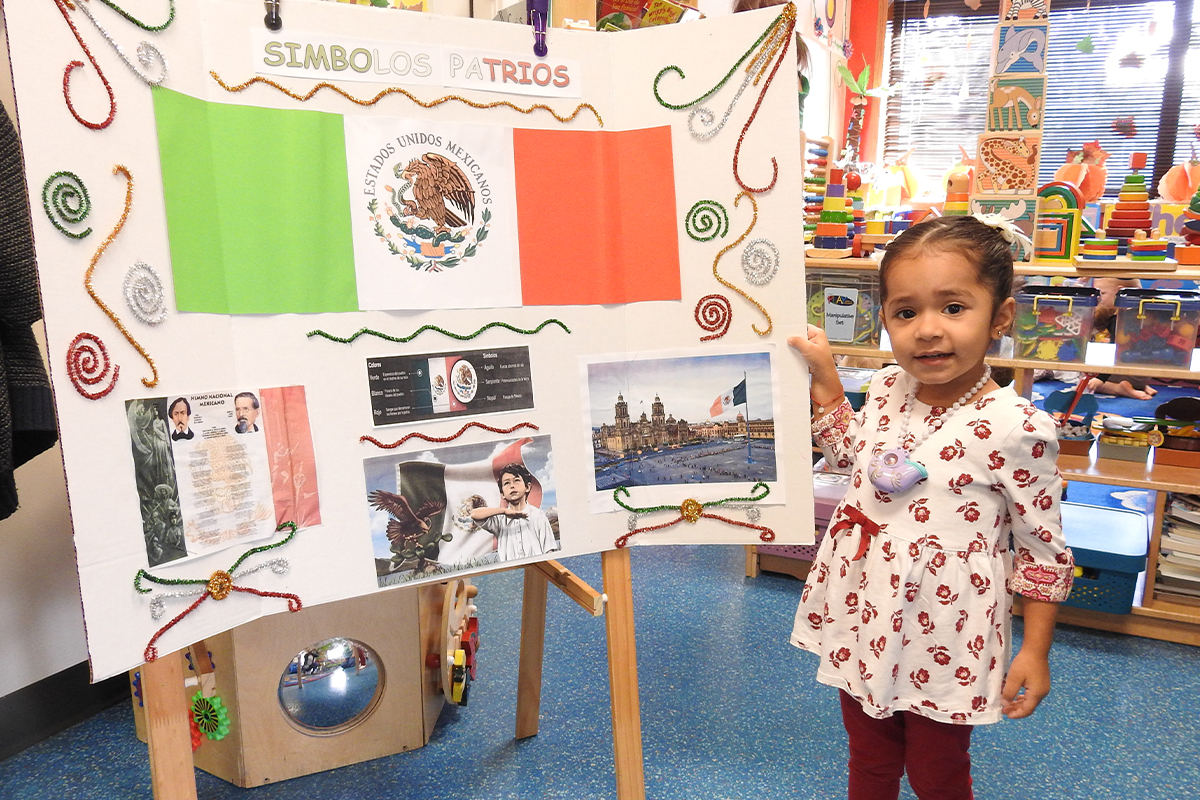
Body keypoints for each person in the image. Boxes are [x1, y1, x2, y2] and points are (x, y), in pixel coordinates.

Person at [788, 215, 1074, 800]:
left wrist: (1035, 650)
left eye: (953, 307)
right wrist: (826, 380)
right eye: (905, 312)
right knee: (868, 756)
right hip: (864, 605)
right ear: (885, 319)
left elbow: (1042, 550)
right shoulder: (888, 388)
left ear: (1000, 317)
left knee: (935, 770)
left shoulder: (1016, 427)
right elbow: (853, 456)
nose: (927, 330)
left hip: (945, 628)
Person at [469, 463, 557, 561]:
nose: (512, 486)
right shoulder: (500, 520)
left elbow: (549, 550)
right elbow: (474, 514)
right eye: (507, 483)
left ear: (527, 487)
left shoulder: (538, 515)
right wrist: (504, 511)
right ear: (502, 494)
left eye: (516, 480)